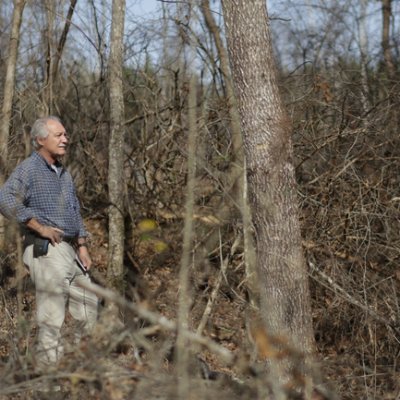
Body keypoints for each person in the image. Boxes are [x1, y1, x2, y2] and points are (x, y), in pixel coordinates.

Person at [0, 116, 98, 369]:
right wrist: (38, 227)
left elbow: (75, 210)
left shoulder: (64, 173)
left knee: (88, 306)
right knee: (52, 317)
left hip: (71, 251)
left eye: (65, 134)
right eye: (59, 135)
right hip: (47, 250)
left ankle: (77, 371)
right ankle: (48, 381)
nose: (65, 139)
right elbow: (6, 199)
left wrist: (83, 245)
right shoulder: (29, 169)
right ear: (40, 139)